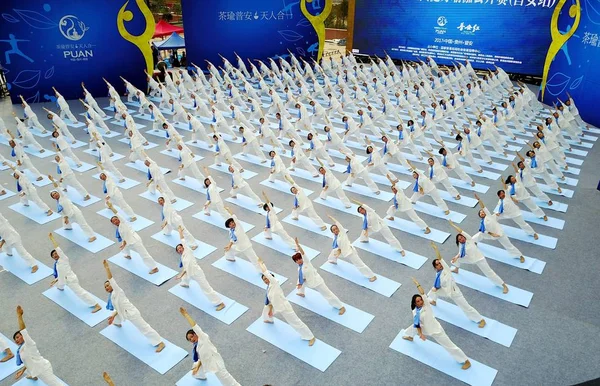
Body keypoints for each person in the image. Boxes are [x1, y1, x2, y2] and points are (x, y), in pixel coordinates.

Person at [401, 279, 472, 370]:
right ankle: (410, 336)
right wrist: (421, 334)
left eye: (421, 300)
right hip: (425, 327)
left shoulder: (426, 305)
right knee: (413, 327)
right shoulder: (415, 311)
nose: (420, 302)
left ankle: (465, 360)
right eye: (418, 301)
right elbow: (417, 324)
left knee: (449, 345)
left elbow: (422, 293)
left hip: (436, 330)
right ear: (415, 303)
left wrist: (417, 284)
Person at [102, 261, 166, 352]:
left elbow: (111, 278)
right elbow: (118, 308)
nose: (106, 287)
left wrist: (107, 268)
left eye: (108, 285)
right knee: (117, 315)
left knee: (143, 327)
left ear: (112, 285)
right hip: (124, 312)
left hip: (131, 313)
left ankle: (160, 342)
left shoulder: (117, 290)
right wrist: (112, 316)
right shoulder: (112, 296)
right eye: (105, 287)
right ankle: (117, 322)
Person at [259, 259, 316, 346]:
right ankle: (268, 319)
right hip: (280, 308)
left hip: (285, 308)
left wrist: (261, 264)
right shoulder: (269, 289)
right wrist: (271, 310)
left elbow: (266, 272)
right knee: (292, 323)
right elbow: (271, 301)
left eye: (266, 278)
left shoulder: (274, 283)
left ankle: (311, 337)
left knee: (296, 322)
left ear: (271, 277)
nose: (266, 280)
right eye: (264, 280)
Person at [428, 243, 486, 328]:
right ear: (435, 267)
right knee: (433, 291)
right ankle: (434, 300)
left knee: (465, 307)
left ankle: (481, 320)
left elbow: (440, 258)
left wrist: (436, 249)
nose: (439, 265)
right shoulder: (437, 274)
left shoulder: (446, 269)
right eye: (437, 264)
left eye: (439, 263)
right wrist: (435, 289)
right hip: (446, 291)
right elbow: (437, 285)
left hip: (455, 292)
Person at [179, 307, 240, 385]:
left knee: (228, 381)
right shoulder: (196, 347)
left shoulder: (203, 337)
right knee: (196, 366)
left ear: (195, 334)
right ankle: (200, 374)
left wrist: (186, 315)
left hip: (216, 365)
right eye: (189, 339)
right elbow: (201, 358)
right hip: (208, 363)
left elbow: (194, 326)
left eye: (191, 336)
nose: (191, 339)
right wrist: (197, 367)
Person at [449, 220, 509, 294]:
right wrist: (456, 257)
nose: (461, 239)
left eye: (462, 237)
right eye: (460, 239)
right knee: (454, 261)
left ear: (464, 237)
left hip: (479, 259)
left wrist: (453, 225)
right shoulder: (461, 245)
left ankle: (503, 285)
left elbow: (461, 231)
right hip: (470, 259)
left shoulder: (469, 239)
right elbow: (460, 253)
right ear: (458, 241)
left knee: (489, 273)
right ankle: (456, 269)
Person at [48, 233, 102, 313]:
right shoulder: (57, 264)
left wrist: (52, 238)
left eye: (56, 253)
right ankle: (60, 286)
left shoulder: (63, 258)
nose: (55, 255)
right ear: (52, 258)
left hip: (71, 280)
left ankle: (97, 305)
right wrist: (55, 280)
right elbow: (61, 274)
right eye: (53, 255)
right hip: (64, 279)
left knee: (81, 293)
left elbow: (57, 248)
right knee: (57, 284)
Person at [292, 237, 346, 315]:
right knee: (299, 280)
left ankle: (341, 307)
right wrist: (300, 284)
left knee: (327, 294)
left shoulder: (306, 262)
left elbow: (303, 253)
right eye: (296, 260)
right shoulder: (299, 269)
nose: (299, 260)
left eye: (299, 259)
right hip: (309, 282)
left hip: (317, 281)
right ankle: (301, 292)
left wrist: (298, 245)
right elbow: (302, 278)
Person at [175, 227, 225, 310]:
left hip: (197, 273)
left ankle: (220, 303)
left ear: (183, 247)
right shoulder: (183, 257)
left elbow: (182, 240)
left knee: (206, 289)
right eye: (178, 250)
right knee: (185, 276)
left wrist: (180, 232)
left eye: (180, 248)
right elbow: (186, 268)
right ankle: (185, 283)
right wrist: (180, 275)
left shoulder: (188, 251)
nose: (180, 249)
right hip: (190, 273)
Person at [12, 306, 64, 385]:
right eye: (15, 339)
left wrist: (19, 316)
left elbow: (23, 330)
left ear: (23, 336)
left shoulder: (28, 343)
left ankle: (34, 375)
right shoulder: (20, 349)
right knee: (30, 362)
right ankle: (33, 375)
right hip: (35, 368)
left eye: (17, 337)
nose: (16, 340)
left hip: (43, 369)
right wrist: (22, 371)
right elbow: (27, 361)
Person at [106, 202, 159, 275]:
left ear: (119, 219)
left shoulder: (123, 222)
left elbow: (117, 213)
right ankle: (128, 255)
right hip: (128, 241)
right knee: (124, 247)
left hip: (135, 240)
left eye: (116, 219)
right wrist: (124, 244)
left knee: (144, 254)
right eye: (113, 221)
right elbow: (124, 237)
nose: (115, 221)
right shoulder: (119, 229)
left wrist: (112, 207)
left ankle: (154, 268)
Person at [472, 194, 525, 263]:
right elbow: (483, 231)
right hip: (490, 234)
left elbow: (483, 207)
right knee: (479, 234)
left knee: (508, 245)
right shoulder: (482, 223)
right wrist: (491, 234)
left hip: (499, 233)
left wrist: (479, 200)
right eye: (480, 213)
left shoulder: (489, 216)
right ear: (480, 216)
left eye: (482, 212)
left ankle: (520, 256)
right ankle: (473, 242)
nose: (482, 213)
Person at [327, 215, 377, 282]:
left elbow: (338, 224)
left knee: (359, 264)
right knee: (333, 252)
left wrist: (331, 218)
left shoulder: (342, 233)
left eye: (336, 228)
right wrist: (339, 251)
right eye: (334, 230)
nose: (336, 230)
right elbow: (338, 246)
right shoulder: (335, 237)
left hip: (350, 252)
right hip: (343, 252)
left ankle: (372, 276)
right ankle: (332, 260)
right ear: (332, 232)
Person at [49, 176, 97, 243]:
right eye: (53, 195)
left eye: (56, 193)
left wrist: (52, 180)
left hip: (75, 212)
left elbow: (57, 187)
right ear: (53, 198)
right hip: (68, 215)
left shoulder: (63, 196)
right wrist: (66, 218)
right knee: (64, 220)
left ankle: (92, 236)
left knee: (83, 224)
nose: (55, 194)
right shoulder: (58, 203)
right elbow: (62, 212)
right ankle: (68, 227)